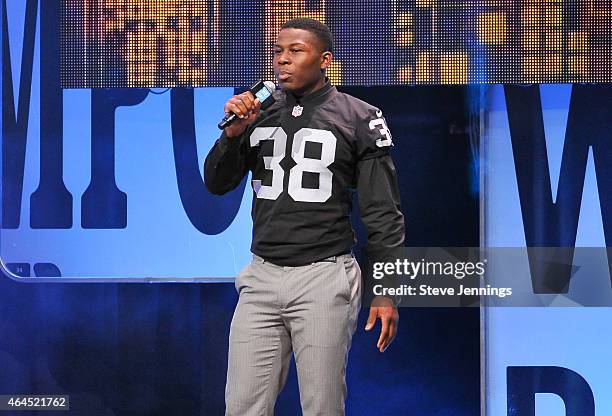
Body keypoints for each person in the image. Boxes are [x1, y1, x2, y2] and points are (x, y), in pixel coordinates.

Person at [204, 17, 405, 416]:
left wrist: (386, 289)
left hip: (322, 274)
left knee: (321, 406)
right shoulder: (258, 112)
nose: (283, 60)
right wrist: (231, 137)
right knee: (242, 406)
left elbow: (383, 213)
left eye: (296, 51)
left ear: (324, 59)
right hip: (261, 275)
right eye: (278, 52)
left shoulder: (358, 116)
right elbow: (216, 183)